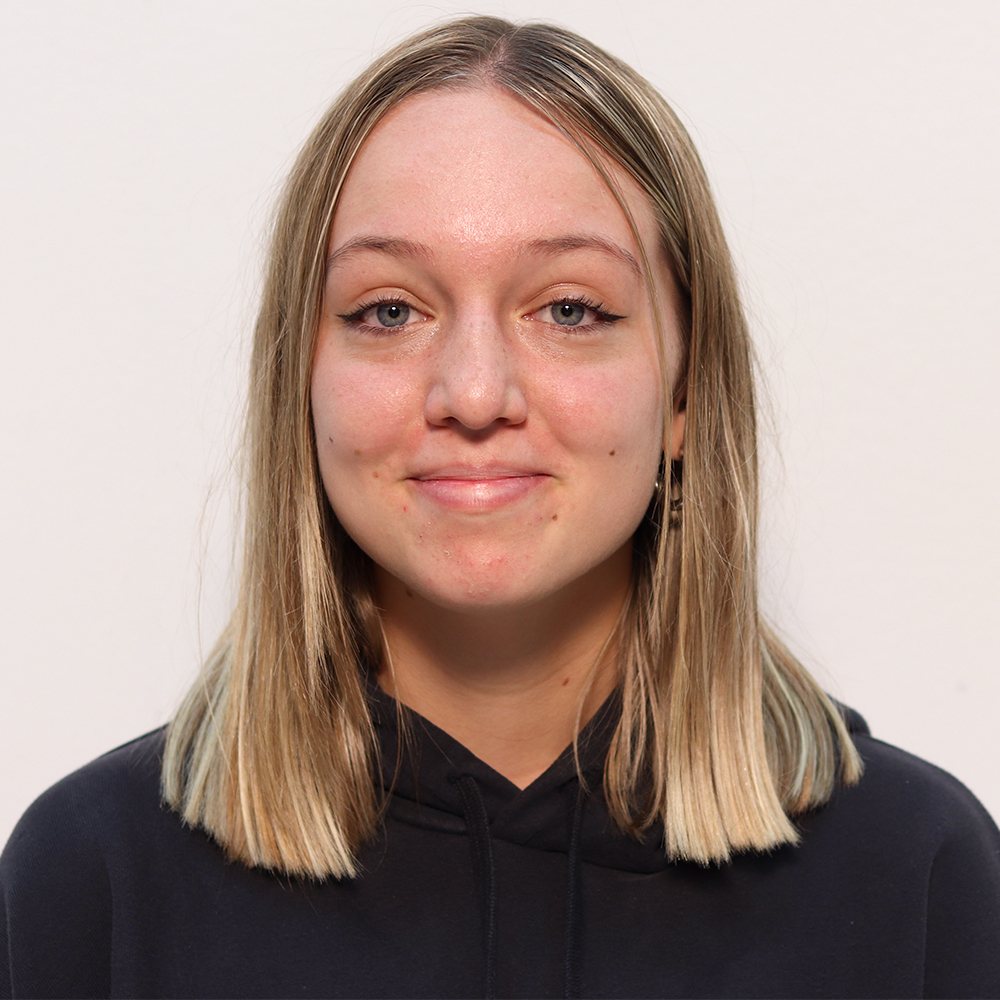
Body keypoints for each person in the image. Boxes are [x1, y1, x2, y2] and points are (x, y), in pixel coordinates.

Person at [1, 15, 998, 1000]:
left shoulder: (920, 877)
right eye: (388, 310)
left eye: (569, 309)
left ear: (685, 391)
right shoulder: (93, 883)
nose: (474, 393)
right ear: (299, 382)